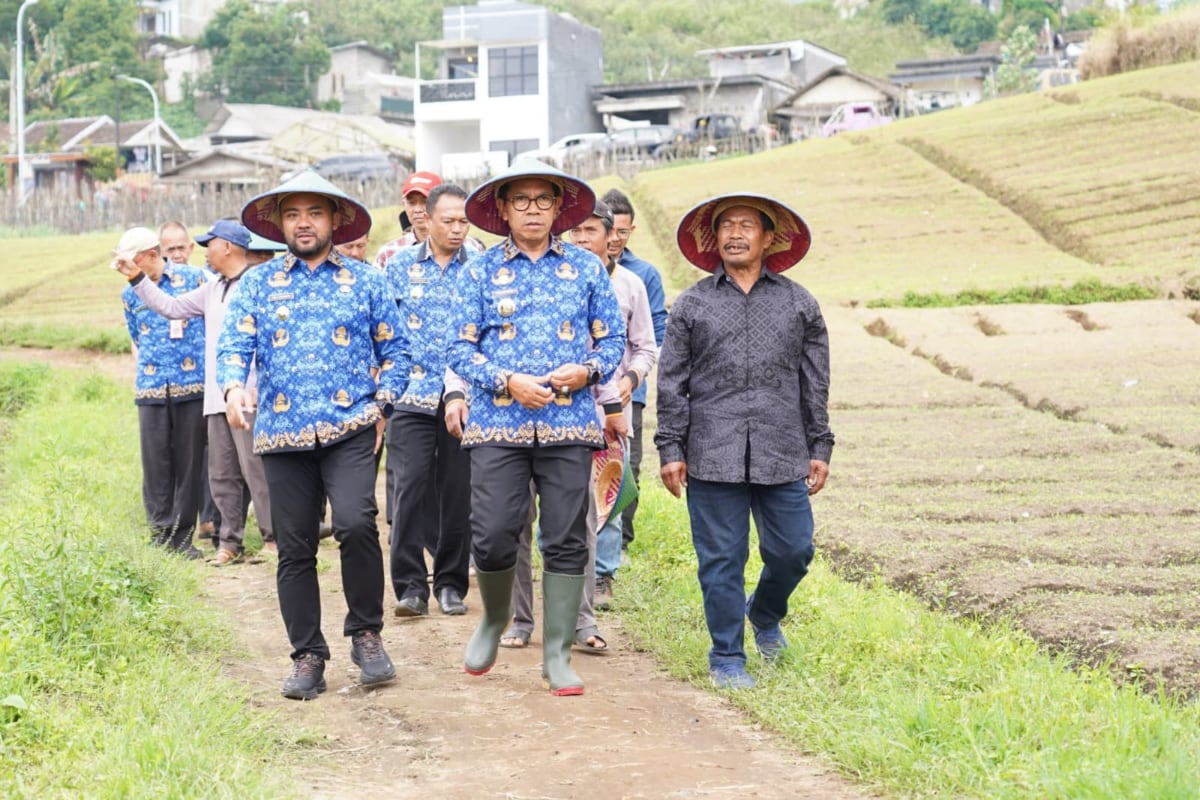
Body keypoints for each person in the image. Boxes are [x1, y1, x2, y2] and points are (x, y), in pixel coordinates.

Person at [218, 171, 410, 701]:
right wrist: (234, 388)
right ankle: (307, 655)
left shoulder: (367, 281)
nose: (304, 223)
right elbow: (234, 347)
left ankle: (366, 634)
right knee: (295, 546)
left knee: (355, 522)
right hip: (282, 433)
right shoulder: (257, 283)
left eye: (315, 213)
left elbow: (397, 353)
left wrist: (381, 405)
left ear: (335, 220)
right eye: (293, 214)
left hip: (351, 426)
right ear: (280, 224)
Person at [449, 159, 625, 696]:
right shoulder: (478, 270)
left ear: (558, 209)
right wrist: (506, 380)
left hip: (568, 425)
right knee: (495, 532)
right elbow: (458, 347)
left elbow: (612, 341)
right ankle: (494, 619)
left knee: (568, 538)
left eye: (542, 200)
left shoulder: (587, 268)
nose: (532, 209)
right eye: (520, 200)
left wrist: (589, 370)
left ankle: (556, 655)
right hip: (497, 425)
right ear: (502, 210)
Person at [655, 193, 833, 691]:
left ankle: (765, 612)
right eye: (726, 226)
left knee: (794, 550)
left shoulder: (799, 303)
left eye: (746, 225)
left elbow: (814, 380)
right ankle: (727, 655)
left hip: (782, 448)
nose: (735, 234)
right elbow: (671, 382)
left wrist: (820, 445)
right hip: (712, 451)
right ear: (714, 240)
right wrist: (671, 449)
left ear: (769, 238)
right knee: (721, 561)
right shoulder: (692, 304)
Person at [500, 199, 655, 653]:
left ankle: (582, 619)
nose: (583, 238)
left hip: (592, 414)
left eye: (593, 230)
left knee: (581, 520)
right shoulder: (540, 274)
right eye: (578, 230)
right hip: (519, 413)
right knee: (515, 522)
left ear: (614, 237)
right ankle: (521, 618)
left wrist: (619, 394)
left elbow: (636, 347)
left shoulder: (627, 284)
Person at [116, 219, 275, 564]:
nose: (202, 252)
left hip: (248, 395)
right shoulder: (212, 288)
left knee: (255, 469)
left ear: (228, 247)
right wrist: (137, 278)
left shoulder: (256, 285)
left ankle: (273, 539)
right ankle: (229, 542)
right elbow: (170, 308)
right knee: (221, 473)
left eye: (210, 244)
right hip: (217, 395)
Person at [380, 184, 475, 619]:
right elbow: (381, 331)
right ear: (428, 220)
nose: (457, 229)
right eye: (448, 221)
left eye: (463, 221)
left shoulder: (482, 268)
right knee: (410, 490)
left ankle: (452, 584)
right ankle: (410, 587)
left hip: (466, 401)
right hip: (410, 396)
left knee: (457, 493)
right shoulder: (398, 268)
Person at [116, 226, 209, 558]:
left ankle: (182, 537)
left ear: (150, 256)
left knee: (188, 463)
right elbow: (136, 338)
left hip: (192, 384)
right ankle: (159, 535)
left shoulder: (194, 278)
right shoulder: (129, 294)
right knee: (155, 463)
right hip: (152, 388)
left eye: (132, 261)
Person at [600, 189, 668, 562]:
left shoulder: (641, 277)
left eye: (621, 231)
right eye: (607, 230)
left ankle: (619, 544)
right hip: (583, 395)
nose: (613, 238)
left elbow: (655, 331)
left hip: (629, 392)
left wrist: (635, 377)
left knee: (627, 466)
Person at [373, 171, 443, 269]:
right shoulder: (389, 253)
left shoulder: (465, 249)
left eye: (425, 202)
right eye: (411, 203)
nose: (418, 209)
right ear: (404, 204)